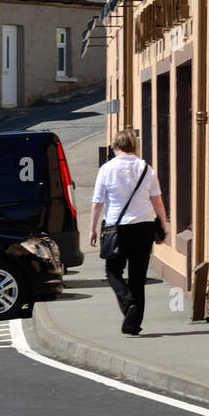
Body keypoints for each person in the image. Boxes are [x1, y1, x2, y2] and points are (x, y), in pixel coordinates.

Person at [89, 129, 169, 335]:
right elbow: (157, 200)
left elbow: (97, 203)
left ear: (115, 147)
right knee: (138, 275)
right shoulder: (146, 168)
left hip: (118, 228)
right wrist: (164, 226)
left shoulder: (107, 169)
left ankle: (128, 305)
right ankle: (133, 324)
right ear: (134, 147)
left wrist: (92, 230)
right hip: (144, 225)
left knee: (113, 271)